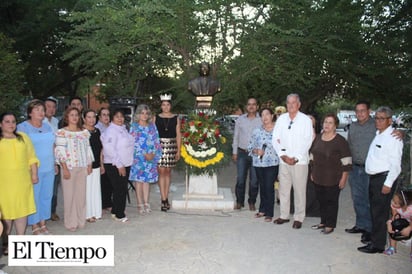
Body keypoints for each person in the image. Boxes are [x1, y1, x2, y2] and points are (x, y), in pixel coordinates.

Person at [358, 106, 403, 254]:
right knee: (375, 211)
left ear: (390, 120)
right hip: (375, 178)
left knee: (380, 213)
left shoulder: (394, 138)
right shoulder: (379, 133)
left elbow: (396, 165)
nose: (378, 121)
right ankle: (375, 238)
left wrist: (388, 184)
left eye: (382, 118)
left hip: (383, 179)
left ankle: (377, 245)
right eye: (376, 118)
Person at [272, 93, 313, 229]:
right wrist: (283, 155)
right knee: (283, 190)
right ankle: (284, 215)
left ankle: (299, 217)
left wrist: (295, 158)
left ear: (299, 104)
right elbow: (275, 139)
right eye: (288, 103)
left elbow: (308, 141)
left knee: (299, 190)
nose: (290, 105)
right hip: (284, 161)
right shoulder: (282, 119)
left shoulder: (305, 120)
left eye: (293, 102)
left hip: (299, 162)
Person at [0, 112, 38, 254]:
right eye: (7, 121)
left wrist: (34, 174)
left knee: (22, 212)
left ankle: (20, 242)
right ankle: (6, 242)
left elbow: (32, 157)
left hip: (22, 182)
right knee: (6, 214)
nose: (11, 124)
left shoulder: (23, 138)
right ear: (1, 124)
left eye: (13, 122)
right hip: (3, 184)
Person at [17, 99, 56, 235]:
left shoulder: (47, 127)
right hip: (33, 169)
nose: (41, 112)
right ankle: (34, 224)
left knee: (47, 195)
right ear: (30, 112)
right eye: (37, 109)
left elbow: (53, 146)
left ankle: (43, 222)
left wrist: (55, 163)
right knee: (34, 196)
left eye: (42, 110)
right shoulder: (23, 128)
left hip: (49, 167)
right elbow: (21, 150)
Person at [309, 114, 352, 234]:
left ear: (335, 126)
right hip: (318, 176)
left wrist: (344, 178)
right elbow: (312, 155)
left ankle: (330, 224)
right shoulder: (318, 138)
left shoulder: (340, 141)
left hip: (333, 178)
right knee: (321, 200)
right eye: (325, 122)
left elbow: (347, 161)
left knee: (331, 202)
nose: (327, 125)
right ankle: (323, 221)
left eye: (330, 122)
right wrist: (312, 172)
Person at [55, 107, 94, 231]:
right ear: (67, 117)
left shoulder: (84, 133)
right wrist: (64, 168)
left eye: (76, 115)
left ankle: (80, 220)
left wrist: (89, 164)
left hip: (82, 167)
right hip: (69, 167)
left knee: (81, 196)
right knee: (69, 196)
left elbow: (88, 149)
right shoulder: (62, 132)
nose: (74, 117)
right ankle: (71, 222)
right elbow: (59, 151)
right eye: (71, 115)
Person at [345, 101, 376, 243]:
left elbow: (391, 133)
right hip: (355, 167)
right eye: (357, 111)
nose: (360, 113)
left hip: (370, 169)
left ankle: (370, 230)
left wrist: (399, 132)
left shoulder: (376, 125)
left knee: (369, 200)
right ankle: (361, 225)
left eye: (363, 110)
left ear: (369, 111)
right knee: (357, 199)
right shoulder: (353, 126)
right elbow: (349, 145)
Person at [101, 109, 134, 222]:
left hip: (125, 163)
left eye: (121, 116)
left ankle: (115, 210)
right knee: (120, 189)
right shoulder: (111, 131)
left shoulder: (123, 129)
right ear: (112, 118)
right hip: (115, 164)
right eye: (117, 116)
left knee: (120, 188)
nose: (120, 119)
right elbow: (109, 148)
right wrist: (119, 164)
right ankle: (120, 214)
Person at [247, 108, 279, 222]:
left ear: (272, 116)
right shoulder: (257, 131)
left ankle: (269, 213)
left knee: (269, 187)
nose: (264, 117)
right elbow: (250, 147)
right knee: (262, 186)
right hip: (259, 163)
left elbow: (283, 147)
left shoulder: (278, 130)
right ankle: (262, 209)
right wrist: (256, 151)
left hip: (272, 163)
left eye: (267, 114)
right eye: (262, 115)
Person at [129, 105, 162, 215]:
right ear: (138, 114)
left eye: (146, 113)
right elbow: (132, 142)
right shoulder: (134, 127)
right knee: (139, 181)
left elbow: (156, 140)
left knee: (147, 181)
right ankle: (140, 203)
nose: (144, 115)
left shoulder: (152, 127)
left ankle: (146, 202)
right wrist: (144, 153)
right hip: (138, 158)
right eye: (142, 113)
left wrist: (153, 153)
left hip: (150, 158)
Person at [232, 97, 262, 211]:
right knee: (240, 179)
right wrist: (234, 152)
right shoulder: (240, 119)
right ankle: (239, 201)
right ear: (246, 106)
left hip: (255, 154)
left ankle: (252, 201)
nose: (251, 106)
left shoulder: (261, 120)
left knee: (254, 181)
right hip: (242, 153)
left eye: (254, 104)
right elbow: (236, 136)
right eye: (249, 104)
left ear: (257, 106)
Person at [154, 94, 181, 212]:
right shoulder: (156, 117)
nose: (165, 107)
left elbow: (178, 134)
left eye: (167, 105)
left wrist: (179, 150)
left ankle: (166, 197)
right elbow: (153, 134)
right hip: (159, 146)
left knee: (167, 172)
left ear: (170, 106)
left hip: (171, 146)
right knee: (161, 172)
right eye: (163, 105)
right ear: (161, 106)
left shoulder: (176, 118)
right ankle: (163, 198)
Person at [83, 109, 103, 222]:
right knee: (87, 190)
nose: (91, 119)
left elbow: (100, 149)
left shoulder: (97, 131)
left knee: (96, 189)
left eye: (93, 117)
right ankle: (88, 214)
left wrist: (101, 164)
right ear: (84, 118)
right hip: (86, 165)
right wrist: (88, 164)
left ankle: (96, 212)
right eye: (89, 117)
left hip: (97, 165)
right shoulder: (82, 131)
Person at [43, 96, 61, 222]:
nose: (51, 109)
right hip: (43, 160)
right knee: (43, 189)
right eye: (48, 106)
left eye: (53, 107)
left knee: (54, 188)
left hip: (56, 160)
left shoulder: (56, 121)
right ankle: (41, 215)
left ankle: (52, 211)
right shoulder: (39, 122)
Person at [384, 191, 412, 259]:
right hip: (403, 219)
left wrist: (409, 228)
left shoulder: (410, 209)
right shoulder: (394, 206)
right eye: (393, 200)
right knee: (394, 227)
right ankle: (392, 248)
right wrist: (390, 224)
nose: (392, 203)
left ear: (404, 205)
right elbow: (394, 216)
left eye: (395, 203)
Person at [95, 107, 113, 214]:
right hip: (101, 158)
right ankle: (104, 203)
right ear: (100, 117)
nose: (106, 117)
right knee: (103, 181)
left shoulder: (112, 127)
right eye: (104, 115)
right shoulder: (97, 128)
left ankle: (108, 201)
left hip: (111, 158)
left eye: (108, 115)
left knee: (110, 182)